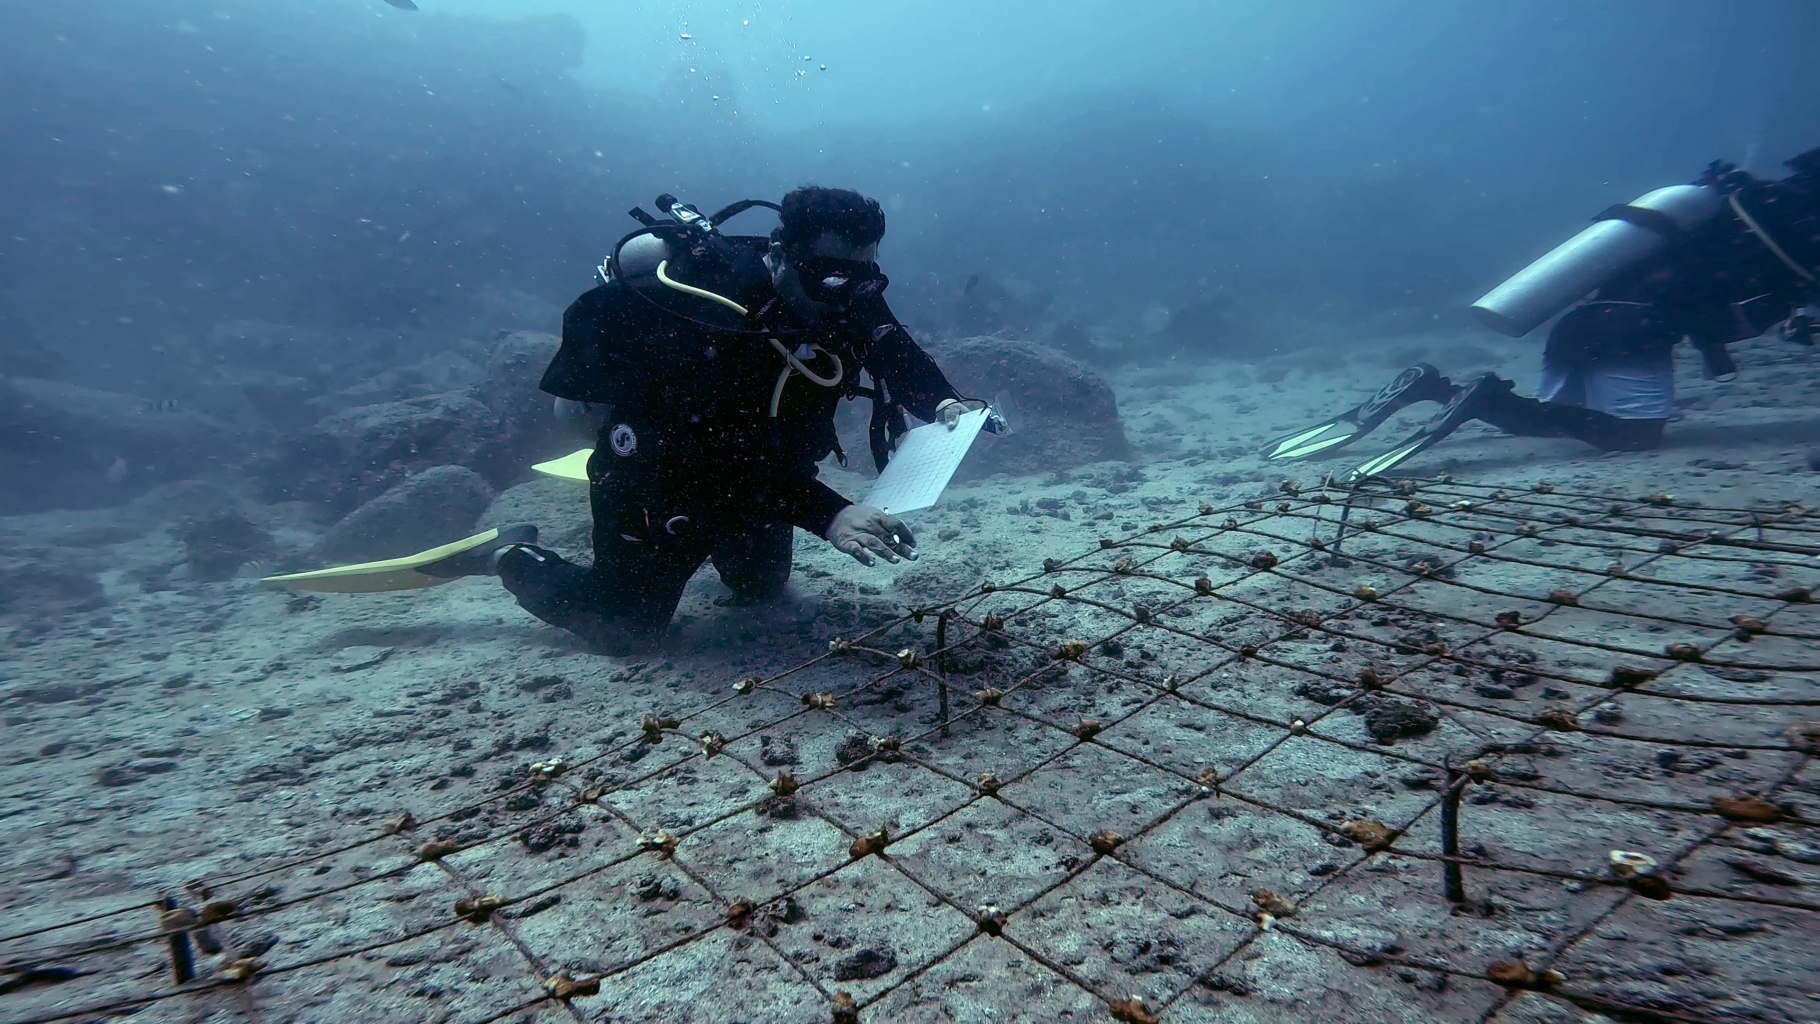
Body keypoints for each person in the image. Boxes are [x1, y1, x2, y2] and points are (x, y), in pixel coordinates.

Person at [428, 187, 975, 654]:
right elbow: (707, 454)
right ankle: (507, 553)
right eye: (829, 279)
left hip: (762, 479)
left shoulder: (845, 289)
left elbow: (892, 349)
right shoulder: (704, 315)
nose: (845, 297)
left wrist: (944, 403)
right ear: (780, 255)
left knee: (761, 589)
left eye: (861, 278)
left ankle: (700, 551)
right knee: (626, 627)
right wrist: (830, 514)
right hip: (664, 477)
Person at [1265, 147, 1820, 481]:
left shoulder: (1752, 209)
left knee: (1547, 424)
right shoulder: (1796, 233)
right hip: (1634, 332)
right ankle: (1478, 396)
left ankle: (1435, 389)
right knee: (1633, 438)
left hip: (1578, 321)